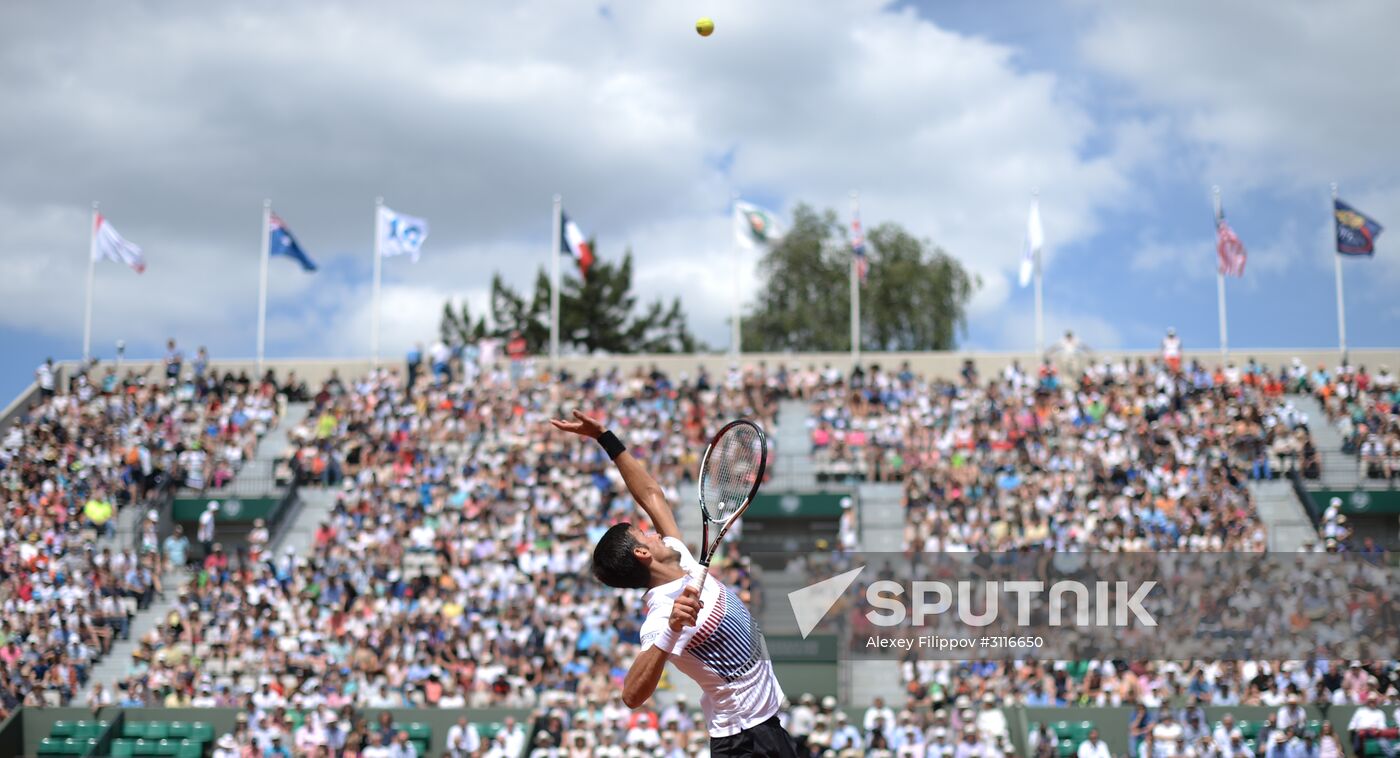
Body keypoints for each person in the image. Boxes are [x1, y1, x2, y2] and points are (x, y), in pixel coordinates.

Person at [551, 410, 796, 757]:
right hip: (745, 739)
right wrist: (670, 630)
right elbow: (631, 696)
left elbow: (651, 494)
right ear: (641, 553)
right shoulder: (664, 612)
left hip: (765, 725)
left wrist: (605, 438)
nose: (653, 531)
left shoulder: (680, 555)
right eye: (645, 534)